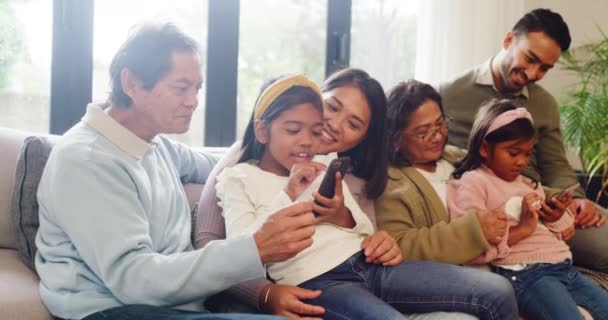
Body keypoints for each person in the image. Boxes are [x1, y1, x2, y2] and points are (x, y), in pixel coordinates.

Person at [34, 23, 317, 320]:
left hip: (175, 306)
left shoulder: (154, 144)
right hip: (113, 310)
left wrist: (293, 152)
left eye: (197, 89)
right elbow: (134, 280)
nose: (193, 102)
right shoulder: (87, 160)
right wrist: (255, 247)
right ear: (131, 84)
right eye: (181, 88)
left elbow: (222, 164)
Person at [197, 70, 518, 320]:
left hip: (367, 263)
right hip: (318, 279)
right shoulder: (239, 169)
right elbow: (231, 251)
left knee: (498, 289)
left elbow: (364, 229)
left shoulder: (330, 163)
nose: (332, 126)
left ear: (364, 137)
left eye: (353, 123)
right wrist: (266, 294)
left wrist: (346, 218)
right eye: (332, 107)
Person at [437, 8, 608, 272]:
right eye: (530, 58)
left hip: (547, 205)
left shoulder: (544, 103)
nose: (533, 73)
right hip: (500, 209)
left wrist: (574, 199)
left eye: (544, 68)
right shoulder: (449, 94)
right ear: (508, 41)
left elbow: (556, 165)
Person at [447, 99, 608, 320]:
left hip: (562, 267)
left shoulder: (527, 183)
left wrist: (557, 216)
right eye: (514, 153)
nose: (522, 161)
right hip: (527, 275)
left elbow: (559, 232)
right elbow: (471, 242)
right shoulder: (475, 182)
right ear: (484, 148)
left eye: (527, 153)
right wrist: (522, 226)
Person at [377, 79, 513, 265]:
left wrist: (551, 199)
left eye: (440, 124)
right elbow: (402, 244)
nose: (438, 136)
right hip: (461, 275)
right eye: (423, 132)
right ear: (395, 139)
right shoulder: (390, 183)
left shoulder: (454, 155)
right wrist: (473, 231)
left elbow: (509, 178)